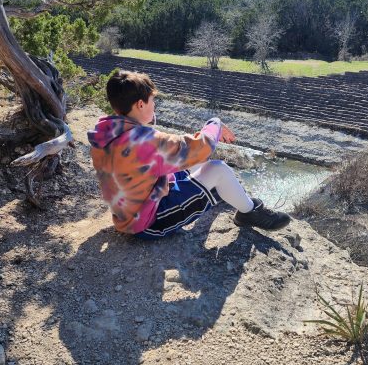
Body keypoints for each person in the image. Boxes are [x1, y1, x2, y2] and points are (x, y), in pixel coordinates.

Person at [87, 69, 291, 239]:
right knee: (218, 169)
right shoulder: (144, 141)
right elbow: (200, 147)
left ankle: (223, 193)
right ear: (140, 104)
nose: (154, 105)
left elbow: (176, 154)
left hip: (127, 213)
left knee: (195, 163)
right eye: (151, 101)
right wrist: (215, 123)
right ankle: (248, 212)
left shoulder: (105, 135)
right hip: (148, 223)